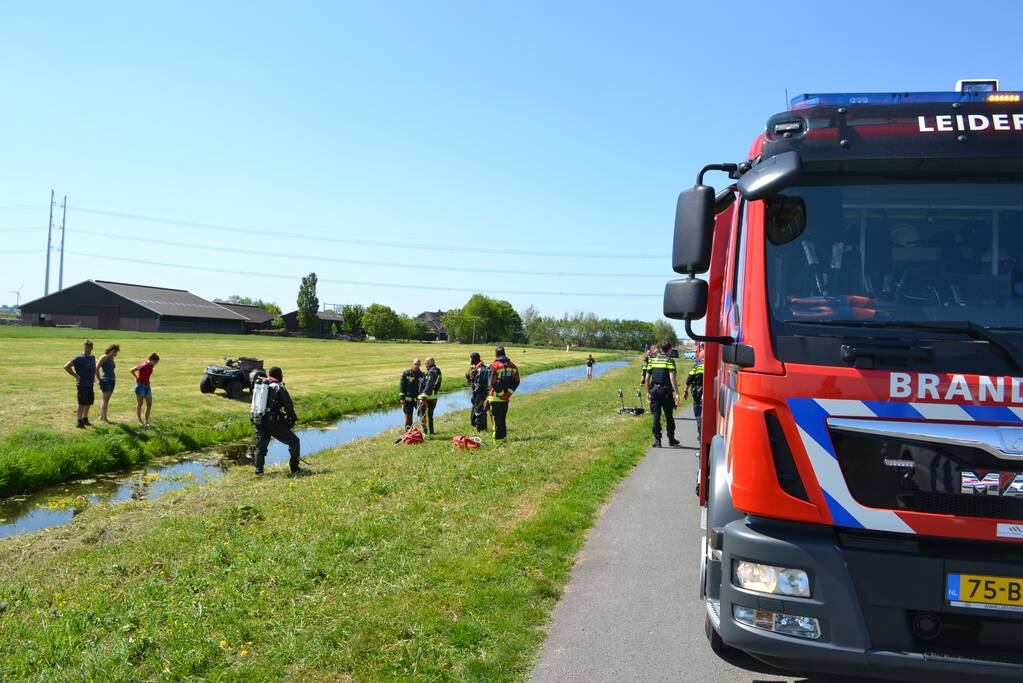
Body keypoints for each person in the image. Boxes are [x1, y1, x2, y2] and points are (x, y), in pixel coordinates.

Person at [251, 366, 301, 475]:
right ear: (278, 375)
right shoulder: (278, 387)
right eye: (281, 374)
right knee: (294, 442)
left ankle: (258, 471)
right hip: (273, 423)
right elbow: (288, 405)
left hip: (259, 420)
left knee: (261, 447)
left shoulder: (261, 386)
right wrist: (292, 419)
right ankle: (295, 468)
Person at [646, 342, 681, 448]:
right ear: (669, 350)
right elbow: (672, 378)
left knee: (656, 416)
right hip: (666, 391)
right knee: (669, 416)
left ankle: (657, 440)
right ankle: (671, 439)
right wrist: (677, 393)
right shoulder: (669, 360)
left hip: (654, 391)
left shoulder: (652, 360)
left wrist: (648, 392)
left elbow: (647, 378)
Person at [486, 346, 520, 441]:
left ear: (496, 354)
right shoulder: (513, 366)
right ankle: (503, 438)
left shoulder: (494, 366)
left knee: (496, 420)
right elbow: (516, 381)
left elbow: (492, 383)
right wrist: (508, 394)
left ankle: (497, 440)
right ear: (504, 353)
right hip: (506, 399)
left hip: (495, 398)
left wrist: (501, 394)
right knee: (503, 419)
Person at [63, 339, 97, 429]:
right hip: (82, 384)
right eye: (86, 349)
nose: (87, 351)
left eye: (89, 349)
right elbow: (66, 366)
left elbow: (93, 368)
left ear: (92, 349)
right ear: (84, 348)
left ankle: (85, 419)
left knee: (89, 402)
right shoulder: (79, 358)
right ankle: (79, 421)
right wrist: (76, 376)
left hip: (90, 384)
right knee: (81, 403)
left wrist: (93, 377)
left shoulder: (92, 358)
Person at [130, 353, 160, 428]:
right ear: (152, 360)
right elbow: (132, 370)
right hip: (140, 386)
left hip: (147, 386)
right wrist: (137, 377)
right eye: (156, 362)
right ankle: (140, 421)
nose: (156, 364)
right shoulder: (143, 366)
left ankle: (146, 421)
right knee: (140, 404)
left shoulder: (151, 365)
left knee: (149, 404)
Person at [95, 343, 120, 424]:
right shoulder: (104, 357)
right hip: (106, 380)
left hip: (112, 380)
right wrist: (99, 379)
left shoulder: (112, 359)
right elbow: (96, 368)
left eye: (116, 352)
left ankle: (101, 416)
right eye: (114, 351)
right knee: (105, 400)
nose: (115, 353)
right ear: (110, 350)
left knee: (105, 400)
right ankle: (105, 419)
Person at [417, 357, 442, 435]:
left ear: (431, 362)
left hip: (428, 398)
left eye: (426, 363)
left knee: (425, 416)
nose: (425, 364)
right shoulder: (436, 370)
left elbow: (429, 385)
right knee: (429, 416)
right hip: (432, 397)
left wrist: (423, 397)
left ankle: (427, 434)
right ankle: (430, 433)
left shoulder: (432, 371)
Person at [466, 352, 489, 433]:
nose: (469, 360)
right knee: (474, 418)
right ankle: (483, 429)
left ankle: (481, 432)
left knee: (479, 414)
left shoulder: (481, 369)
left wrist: (474, 395)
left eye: (470, 358)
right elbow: (474, 383)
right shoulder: (476, 369)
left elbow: (480, 385)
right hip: (479, 395)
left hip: (480, 395)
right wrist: (469, 378)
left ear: (473, 359)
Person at [399, 358, 424, 429]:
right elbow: (402, 386)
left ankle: (425, 431)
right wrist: (402, 398)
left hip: (418, 400)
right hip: (408, 400)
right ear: (412, 364)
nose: (417, 366)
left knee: (422, 416)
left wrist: (422, 398)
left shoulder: (422, 375)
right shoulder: (406, 373)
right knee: (408, 417)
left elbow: (423, 388)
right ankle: (408, 433)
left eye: (418, 364)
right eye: (415, 364)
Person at [684, 361, 705, 440]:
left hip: (698, 393)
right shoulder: (713, 364)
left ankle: (701, 432)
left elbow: (689, 379)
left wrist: (685, 391)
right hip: (710, 392)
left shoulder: (697, 366)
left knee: (698, 413)